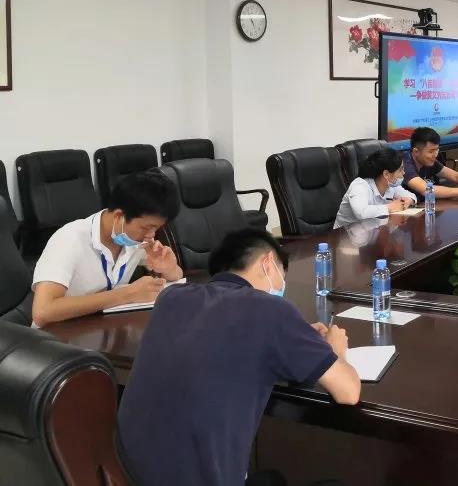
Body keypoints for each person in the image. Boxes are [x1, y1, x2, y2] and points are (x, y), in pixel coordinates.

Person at [117, 228, 361, 486]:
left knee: (271, 479)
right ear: (268, 262)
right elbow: (348, 392)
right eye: (282, 276)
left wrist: (296, 338)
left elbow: (222, 338)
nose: (281, 287)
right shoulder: (270, 309)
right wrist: (334, 350)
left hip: (126, 476)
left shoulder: (171, 297)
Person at [31, 171, 182, 328]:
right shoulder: (69, 239)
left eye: (156, 228)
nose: (151, 235)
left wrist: (169, 269)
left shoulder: (133, 237)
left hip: (98, 327)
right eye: (146, 227)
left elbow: (175, 276)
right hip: (57, 336)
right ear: (119, 216)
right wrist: (127, 294)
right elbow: (43, 312)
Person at [403, 127, 458, 200]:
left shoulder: (428, 160)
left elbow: (455, 176)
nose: (435, 154)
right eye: (431, 151)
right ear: (416, 151)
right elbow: (426, 190)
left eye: (437, 150)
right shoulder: (404, 164)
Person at [335, 148, 417, 227]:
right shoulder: (359, 186)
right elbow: (361, 212)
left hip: (371, 229)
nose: (403, 173)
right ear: (386, 174)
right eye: (400, 170)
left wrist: (408, 200)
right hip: (344, 233)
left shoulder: (391, 185)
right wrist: (389, 207)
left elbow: (411, 196)